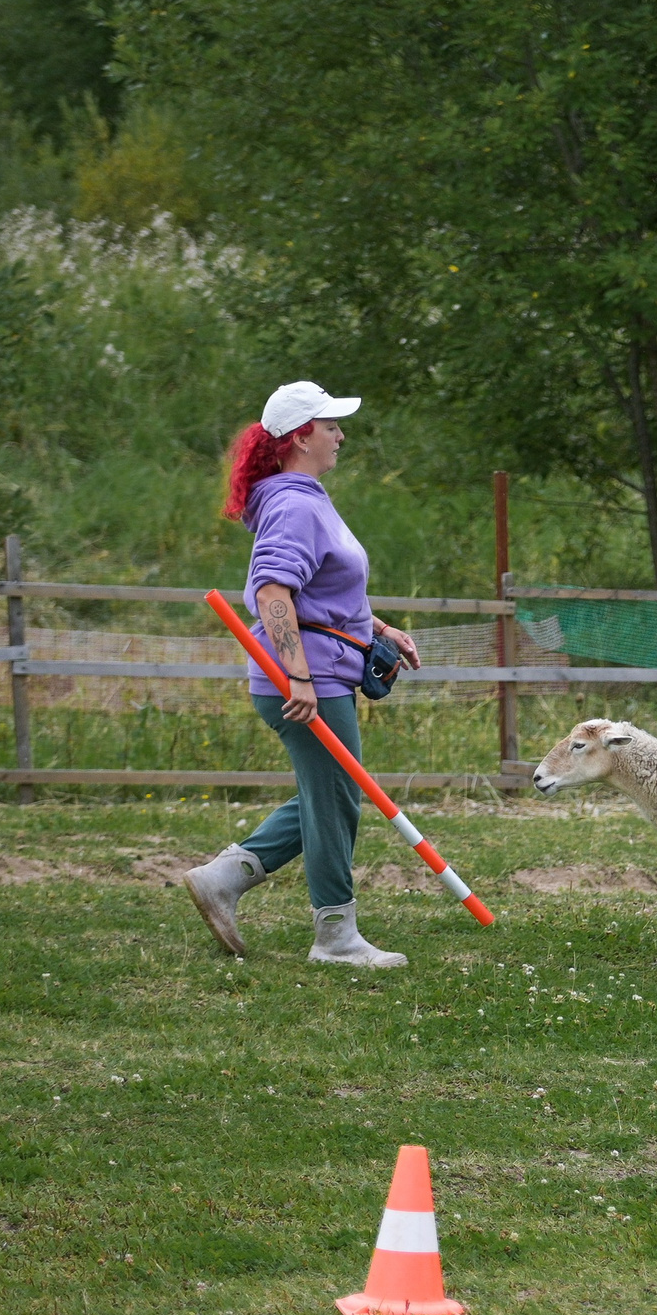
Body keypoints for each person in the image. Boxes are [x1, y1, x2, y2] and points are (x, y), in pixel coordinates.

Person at [183, 381, 420, 967]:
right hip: (307, 682)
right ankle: (335, 936)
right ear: (300, 437)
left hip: (323, 669)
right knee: (337, 797)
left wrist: (378, 630)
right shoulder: (293, 503)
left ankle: (223, 879)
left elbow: (322, 593)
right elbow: (272, 591)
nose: (341, 434)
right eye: (330, 425)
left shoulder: (303, 496)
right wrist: (300, 677)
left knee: (332, 793)